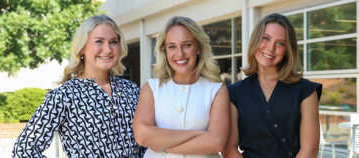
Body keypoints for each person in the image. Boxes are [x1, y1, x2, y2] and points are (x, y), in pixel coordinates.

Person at [12, 14, 145, 157]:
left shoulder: (131, 89)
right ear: (82, 48)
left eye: (113, 42)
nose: (107, 49)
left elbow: (146, 145)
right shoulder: (64, 95)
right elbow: (24, 149)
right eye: (99, 41)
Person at [224, 13, 322, 158]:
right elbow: (229, 149)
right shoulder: (233, 93)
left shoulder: (305, 91)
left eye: (280, 43)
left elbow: (310, 150)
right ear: (256, 40)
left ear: (287, 50)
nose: (271, 48)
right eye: (266, 38)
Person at [133, 16, 230, 158]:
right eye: (172, 46)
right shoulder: (151, 88)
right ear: (165, 51)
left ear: (199, 48)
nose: (179, 53)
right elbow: (142, 135)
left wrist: (164, 147)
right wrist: (196, 134)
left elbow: (216, 142)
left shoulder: (216, 90)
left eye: (187, 45)